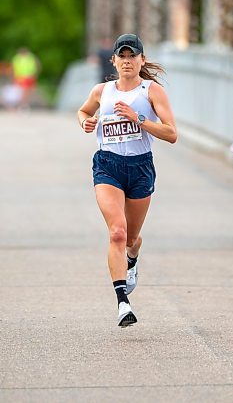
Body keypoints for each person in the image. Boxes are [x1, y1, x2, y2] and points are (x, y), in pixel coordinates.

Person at [78, 33, 177, 327]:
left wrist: (139, 119)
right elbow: (83, 111)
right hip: (107, 165)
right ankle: (123, 302)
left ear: (142, 60)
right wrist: (86, 122)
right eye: (122, 56)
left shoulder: (151, 91)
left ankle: (132, 256)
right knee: (117, 233)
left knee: (131, 238)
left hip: (140, 167)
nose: (127, 61)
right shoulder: (102, 91)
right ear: (114, 61)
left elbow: (172, 133)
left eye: (132, 56)